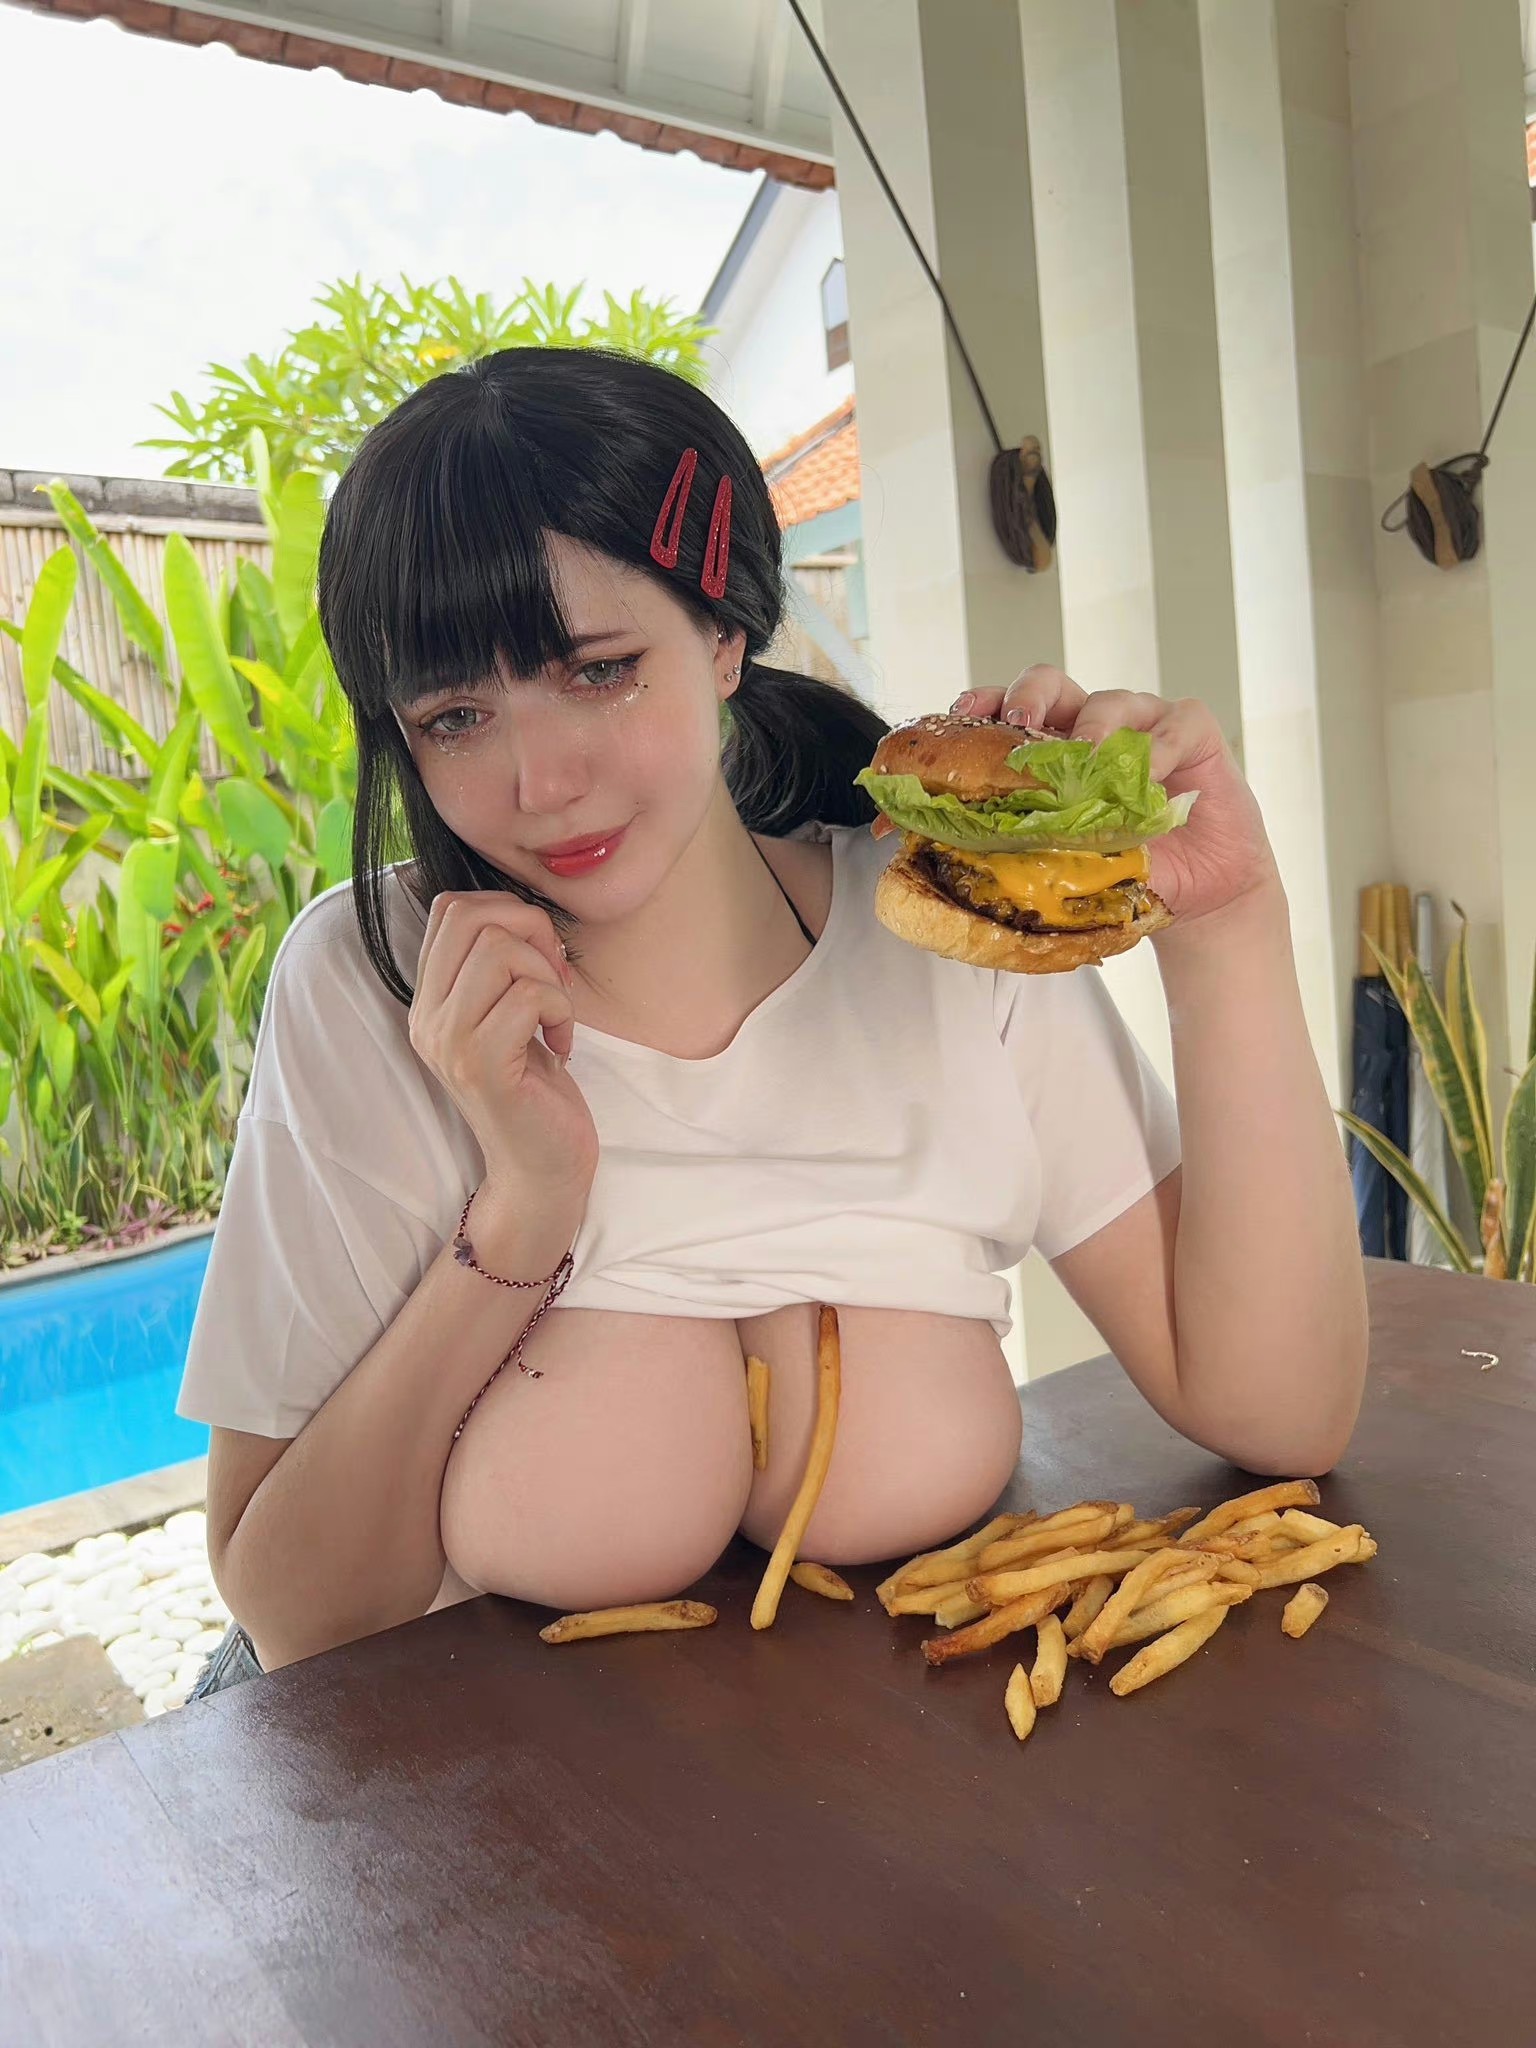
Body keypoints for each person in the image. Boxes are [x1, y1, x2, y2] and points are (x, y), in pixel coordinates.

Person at [179, 346, 1367, 1698]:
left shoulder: (940, 932)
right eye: (457, 716)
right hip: (465, 1807)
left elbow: (1285, 1417)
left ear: (724, 636)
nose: (541, 780)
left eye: (600, 670)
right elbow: (296, 1618)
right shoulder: (376, 983)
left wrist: (1227, 926)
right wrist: (523, 1212)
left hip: (903, 1793)